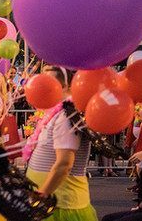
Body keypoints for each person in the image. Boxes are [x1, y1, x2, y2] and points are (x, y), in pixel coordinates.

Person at [23, 65, 98, 221]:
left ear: (64, 86)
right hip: (51, 206)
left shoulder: (67, 115)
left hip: (61, 208)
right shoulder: (55, 113)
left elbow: (64, 164)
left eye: (48, 83)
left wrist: (41, 196)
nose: (41, 87)